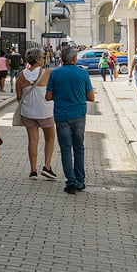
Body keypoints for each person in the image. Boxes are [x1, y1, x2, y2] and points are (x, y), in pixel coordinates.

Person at [45, 47, 95, 194]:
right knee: (79, 148)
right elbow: (91, 97)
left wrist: (60, 96)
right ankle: (80, 181)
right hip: (79, 114)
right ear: (74, 59)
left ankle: (70, 182)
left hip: (61, 115)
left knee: (66, 149)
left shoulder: (55, 73)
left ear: (62, 59)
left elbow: (48, 97)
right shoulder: (83, 73)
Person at [16, 48, 57, 181]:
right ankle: (47, 166)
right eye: (42, 57)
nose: (43, 59)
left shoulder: (21, 75)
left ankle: (33, 170)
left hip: (28, 112)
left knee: (33, 140)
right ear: (38, 59)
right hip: (45, 111)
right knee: (50, 138)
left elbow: (18, 97)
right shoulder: (47, 73)